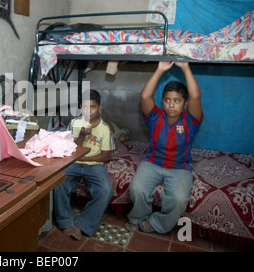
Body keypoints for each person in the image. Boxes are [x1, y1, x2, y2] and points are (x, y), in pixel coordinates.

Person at [126, 61, 203, 234]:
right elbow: (145, 97)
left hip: (179, 168)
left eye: (177, 101)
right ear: (162, 101)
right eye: (167, 100)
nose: (171, 104)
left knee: (179, 198)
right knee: (137, 188)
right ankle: (138, 218)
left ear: (185, 104)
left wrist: (185, 67)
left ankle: (155, 223)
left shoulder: (190, 121)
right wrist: (160, 69)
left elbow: (196, 97)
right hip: (152, 163)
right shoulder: (155, 117)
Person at [54, 89, 114, 240]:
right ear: (80, 107)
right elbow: (71, 149)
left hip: (94, 165)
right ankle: (65, 221)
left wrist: (85, 158)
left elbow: (105, 156)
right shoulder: (75, 123)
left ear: (99, 107)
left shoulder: (105, 129)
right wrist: (81, 135)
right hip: (74, 161)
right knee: (58, 182)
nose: (89, 111)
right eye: (85, 107)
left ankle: (83, 225)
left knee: (106, 189)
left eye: (93, 107)